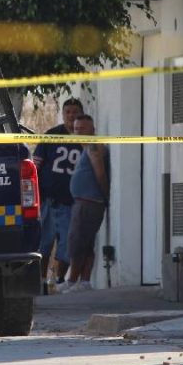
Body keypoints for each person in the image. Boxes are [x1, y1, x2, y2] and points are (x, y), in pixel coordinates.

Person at [33, 98, 84, 294]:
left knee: (66, 247)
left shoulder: (85, 140)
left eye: (75, 112)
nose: (71, 115)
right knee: (43, 245)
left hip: (70, 202)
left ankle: (60, 279)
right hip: (48, 200)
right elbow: (36, 166)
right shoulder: (52, 136)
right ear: (63, 115)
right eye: (68, 112)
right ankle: (41, 281)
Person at [59, 114, 110, 292]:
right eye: (76, 129)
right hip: (86, 202)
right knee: (85, 243)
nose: (78, 132)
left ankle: (73, 280)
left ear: (92, 130)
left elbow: (101, 174)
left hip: (89, 203)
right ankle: (84, 282)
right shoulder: (87, 147)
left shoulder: (94, 146)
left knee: (76, 242)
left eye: (82, 129)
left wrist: (104, 196)